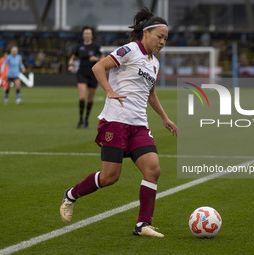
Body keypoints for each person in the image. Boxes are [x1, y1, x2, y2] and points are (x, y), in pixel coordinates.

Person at [60, 7, 178, 238]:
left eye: (166, 38)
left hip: (139, 125)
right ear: (146, 33)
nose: (163, 42)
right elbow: (98, 67)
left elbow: (150, 93)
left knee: (153, 170)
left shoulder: (154, 63)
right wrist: (109, 90)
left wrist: (164, 118)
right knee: (110, 177)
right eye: (159, 36)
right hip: (115, 122)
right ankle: (71, 194)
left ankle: (142, 224)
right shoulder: (129, 50)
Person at [68, 26, 104, 128]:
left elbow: (103, 58)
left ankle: (86, 119)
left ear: (92, 35)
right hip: (81, 73)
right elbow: (72, 59)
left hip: (93, 74)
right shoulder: (79, 47)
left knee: (90, 98)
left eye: (89, 33)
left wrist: (96, 58)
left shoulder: (96, 47)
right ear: (83, 35)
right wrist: (70, 65)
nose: (87, 35)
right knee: (82, 97)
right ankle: (80, 119)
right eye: (85, 33)